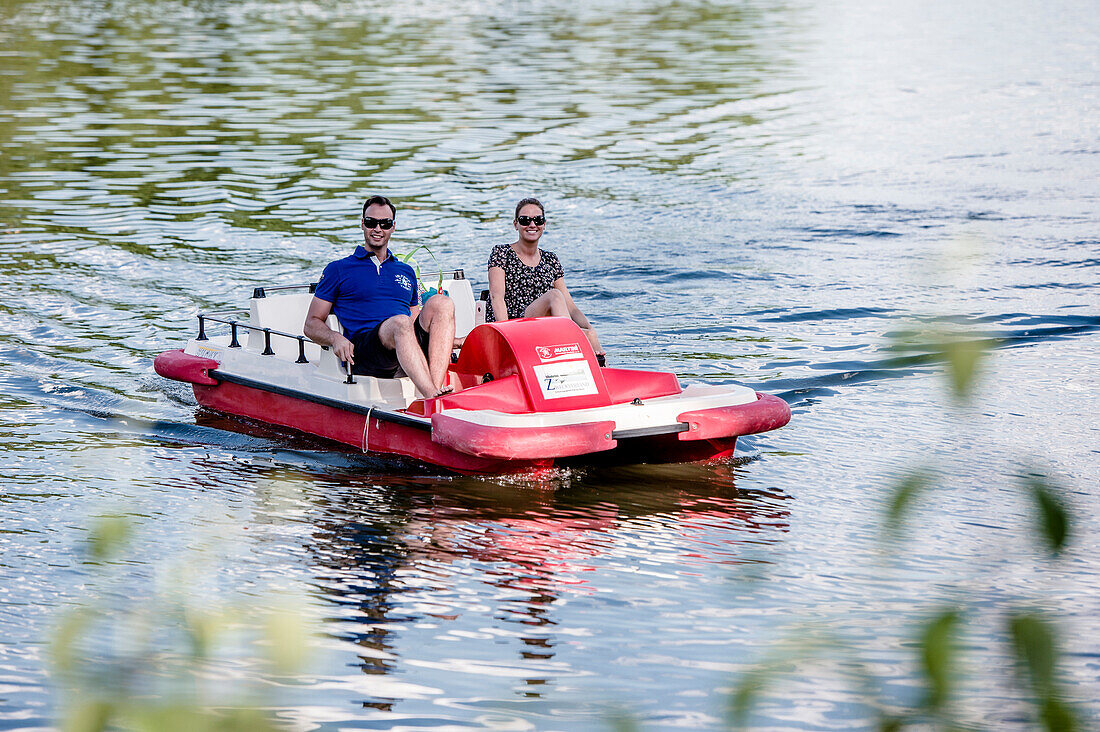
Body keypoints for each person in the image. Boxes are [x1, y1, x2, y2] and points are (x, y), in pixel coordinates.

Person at [304, 195, 455, 398]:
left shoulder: (406, 271)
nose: (377, 228)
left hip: (402, 345)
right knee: (400, 323)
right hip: (365, 350)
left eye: (385, 223)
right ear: (362, 224)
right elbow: (311, 324)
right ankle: (432, 397)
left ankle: (434, 391)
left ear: (393, 227)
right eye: (371, 222)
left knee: (442, 303)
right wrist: (335, 338)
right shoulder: (338, 269)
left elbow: (414, 318)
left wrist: (448, 339)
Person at [486, 197, 605, 360]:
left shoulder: (550, 259)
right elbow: (496, 297)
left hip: (543, 325)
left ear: (544, 224)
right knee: (554, 295)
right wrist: (506, 335)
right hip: (514, 324)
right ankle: (571, 349)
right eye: (525, 220)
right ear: (516, 224)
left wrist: (589, 329)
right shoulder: (501, 253)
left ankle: (602, 373)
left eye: (538, 220)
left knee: (588, 333)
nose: (532, 224)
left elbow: (569, 306)